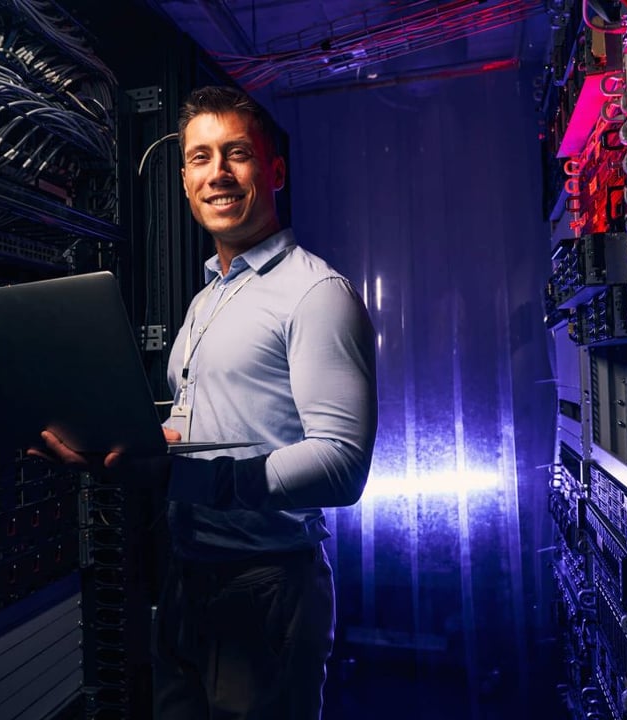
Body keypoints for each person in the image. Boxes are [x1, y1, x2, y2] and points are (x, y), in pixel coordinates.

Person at [33, 85, 377, 719]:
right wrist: (112, 442)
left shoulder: (315, 293)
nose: (216, 173)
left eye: (236, 153)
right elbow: (197, 430)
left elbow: (342, 465)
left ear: (273, 170)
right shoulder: (207, 298)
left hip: (268, 584)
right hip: (190, 577)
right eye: (199, 157)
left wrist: (189, 479)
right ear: (186, 179)